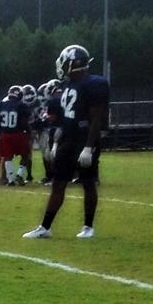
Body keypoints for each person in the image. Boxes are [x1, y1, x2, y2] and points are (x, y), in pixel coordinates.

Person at [24, 45, 108, 239]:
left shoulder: (94, 84)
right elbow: (65, 119)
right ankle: (45, 227)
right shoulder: (69, 85)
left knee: (88, 183)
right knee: (58, 183)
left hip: (83, 139)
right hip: (68, 139)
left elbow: (96, 117)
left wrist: (88, 147)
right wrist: (56, 142)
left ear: (72, 62)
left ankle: (88, 226)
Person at [0, 85, 32, 186]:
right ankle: (19, 174)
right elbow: (24, 122)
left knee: (7, 157)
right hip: (18, 134)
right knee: (25, 156)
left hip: (5, 134)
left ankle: (10, 180)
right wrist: (28, 132)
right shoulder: (22, 106)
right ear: (19, 95)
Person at [20, 84, 38, 182]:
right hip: (26, 131)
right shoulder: (22, 106)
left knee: (27, 154)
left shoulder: (36, 105)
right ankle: (27, 175)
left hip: (31, 130)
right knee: (27, 154)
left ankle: (27, 175)